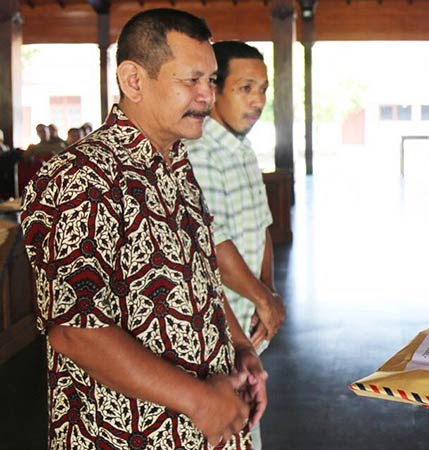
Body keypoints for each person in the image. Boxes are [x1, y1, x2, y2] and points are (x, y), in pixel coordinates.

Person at [21, 9, 266, 450]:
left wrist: (239, 347)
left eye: (210, 80)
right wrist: (199, 400)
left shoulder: (176, 164)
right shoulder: (81, 176)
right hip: (130, 435)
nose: (206, 97)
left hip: (209, 423)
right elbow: (76, 329)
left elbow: (200, 275)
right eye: (191, 80)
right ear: (134, 81)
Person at [185, 40, 285, 450]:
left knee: (248, 427)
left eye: (263, 89)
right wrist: (263, 298)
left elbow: (261, 224)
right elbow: (213, 241)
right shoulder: (200, 149)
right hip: (213, 328)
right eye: (246, 88)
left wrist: (268, 292)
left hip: (246, 330)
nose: (258, 100)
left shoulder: (241, 148)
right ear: (214, 90)